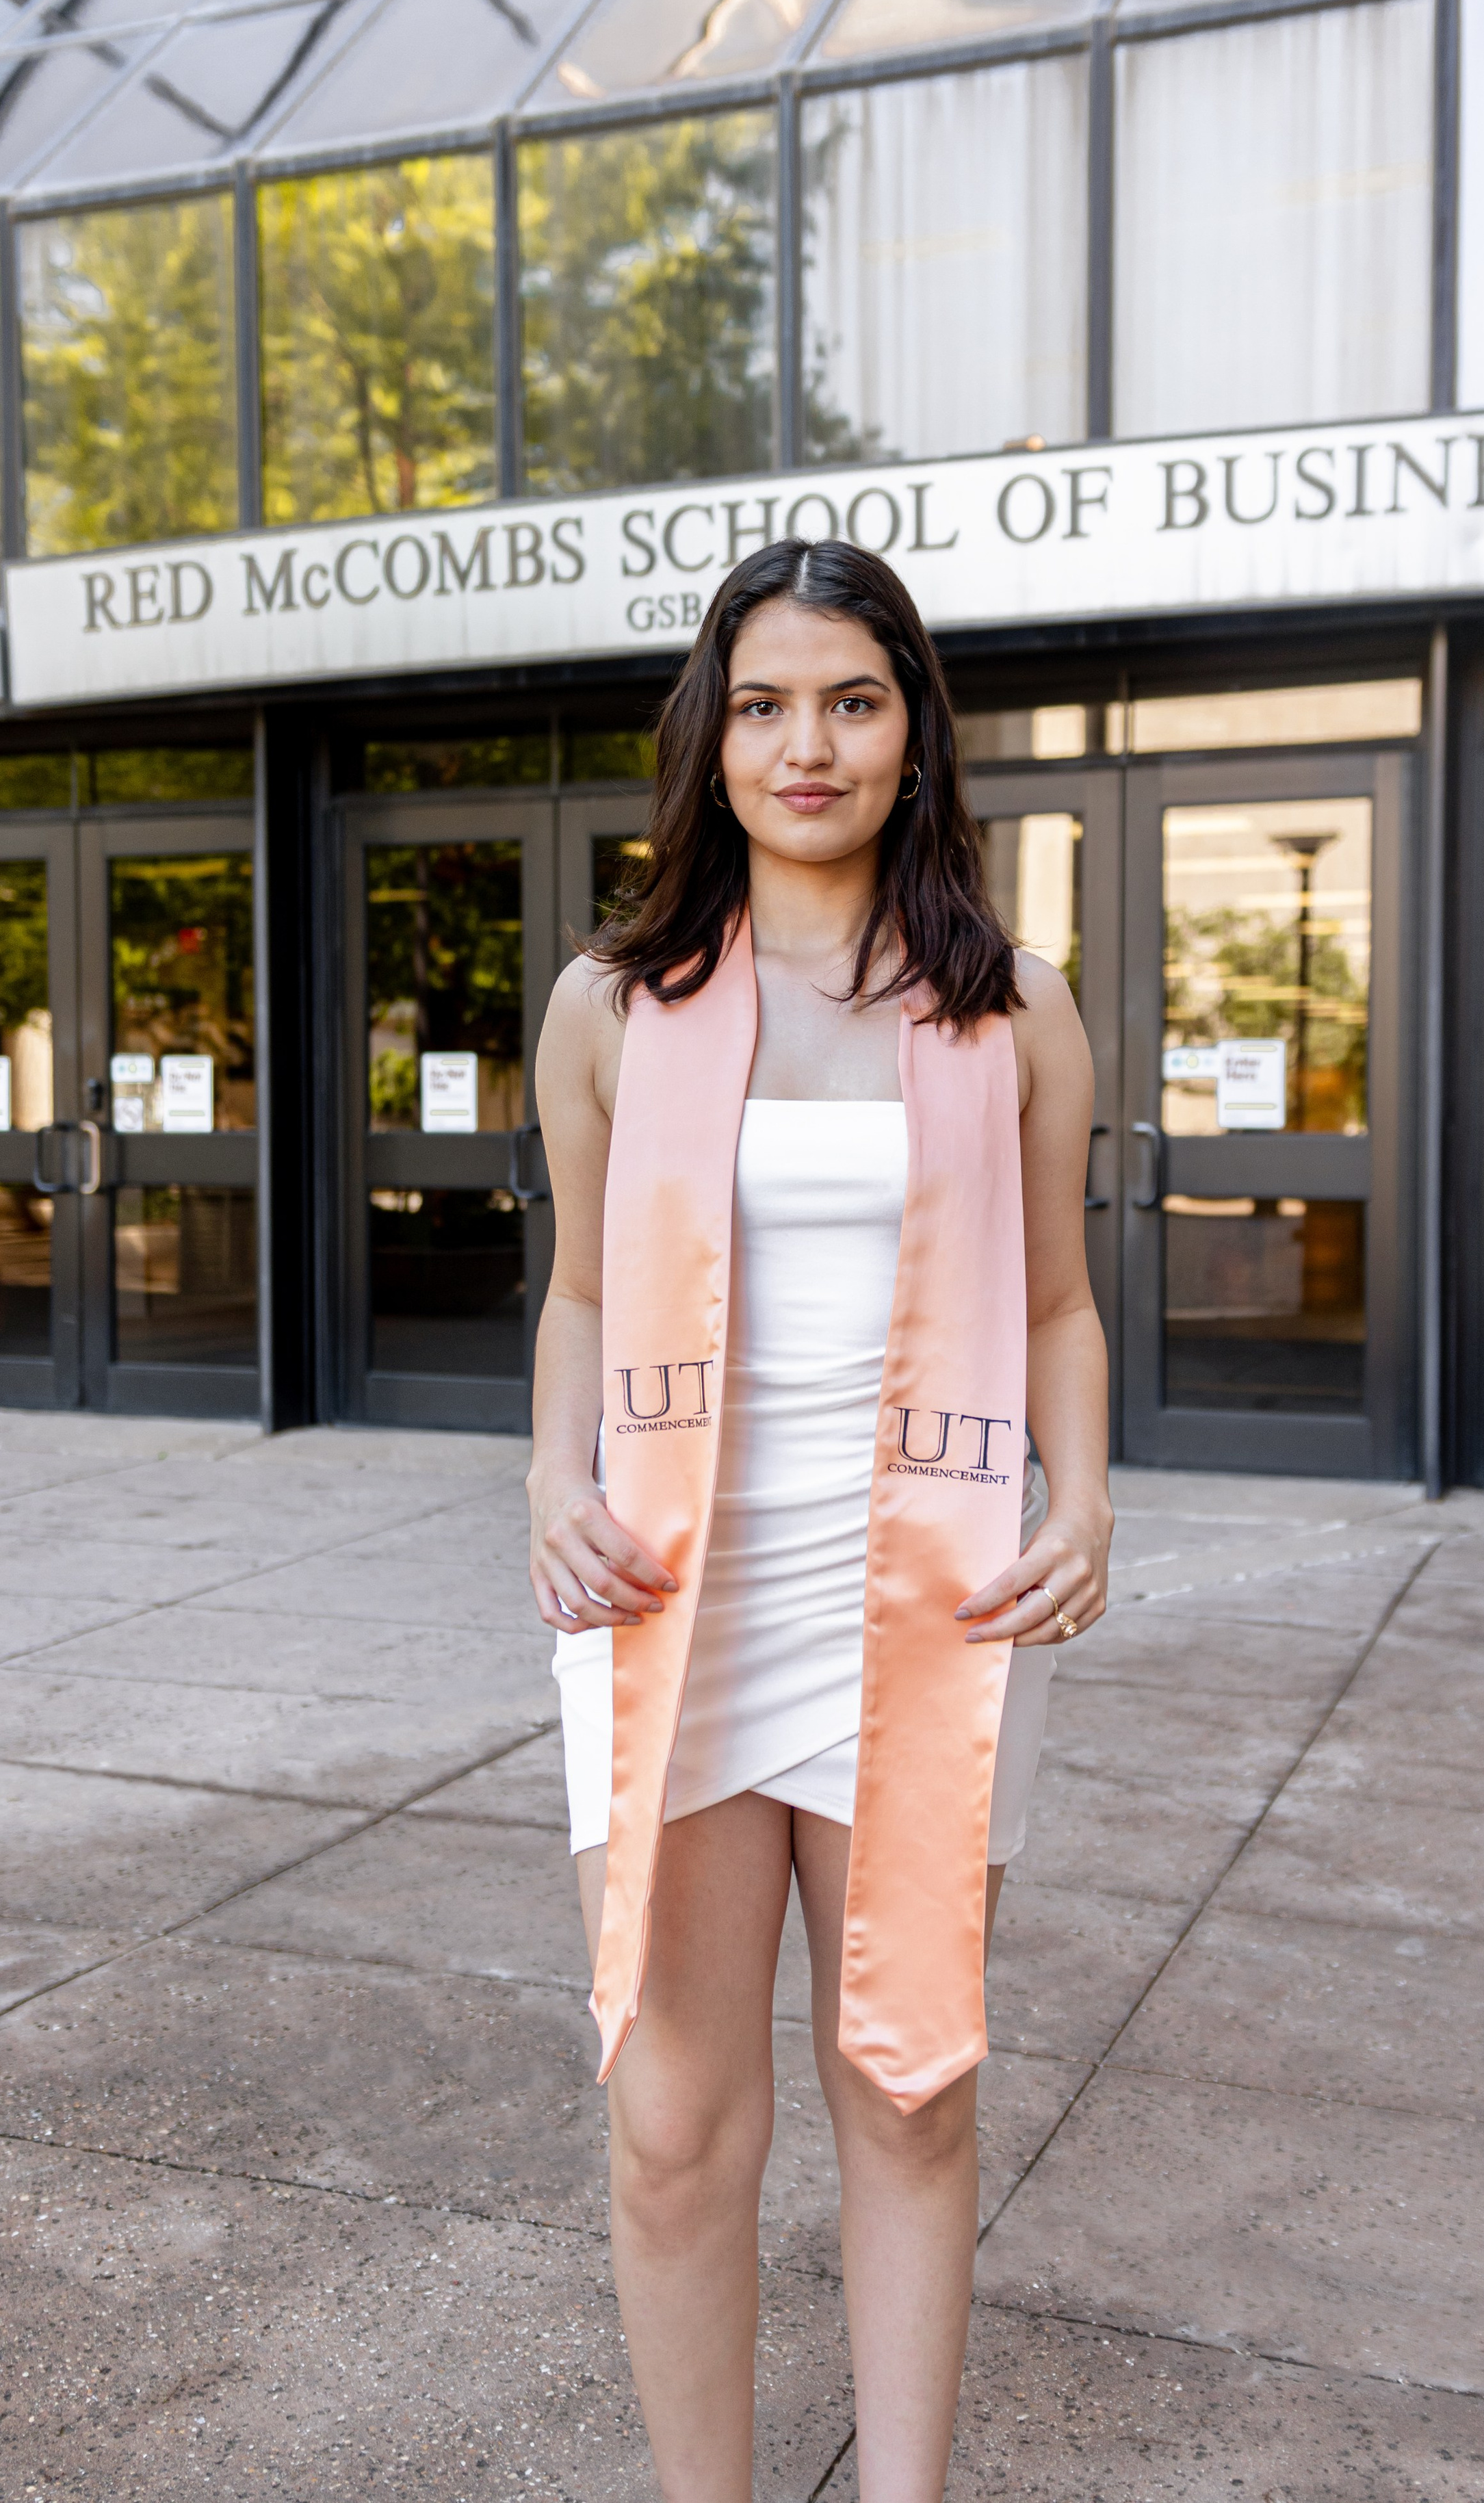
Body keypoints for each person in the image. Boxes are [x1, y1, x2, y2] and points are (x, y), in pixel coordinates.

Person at [526, 537, 1113, 2503]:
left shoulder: (1012, 1007)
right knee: (676, 2121)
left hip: (930, 1602)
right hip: (678, 1590)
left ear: (912, 732)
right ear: (713, 735)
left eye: (854, 700)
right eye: (766, 702)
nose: (809, 743)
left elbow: (1055, 1305)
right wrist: (547, 1476)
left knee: (909, 2082)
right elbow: (587, 1296)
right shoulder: (612, 1005)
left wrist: (1089, 1491)